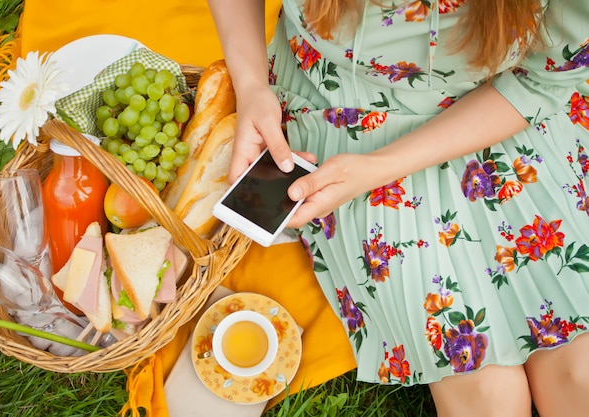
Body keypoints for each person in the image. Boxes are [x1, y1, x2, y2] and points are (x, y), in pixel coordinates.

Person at [206, 1, 589, 416]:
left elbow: (543, 79)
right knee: (485, 395)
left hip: (504, 107)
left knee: (580, 373)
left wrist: (377, 169)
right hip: (345, 115)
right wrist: (251, 86)